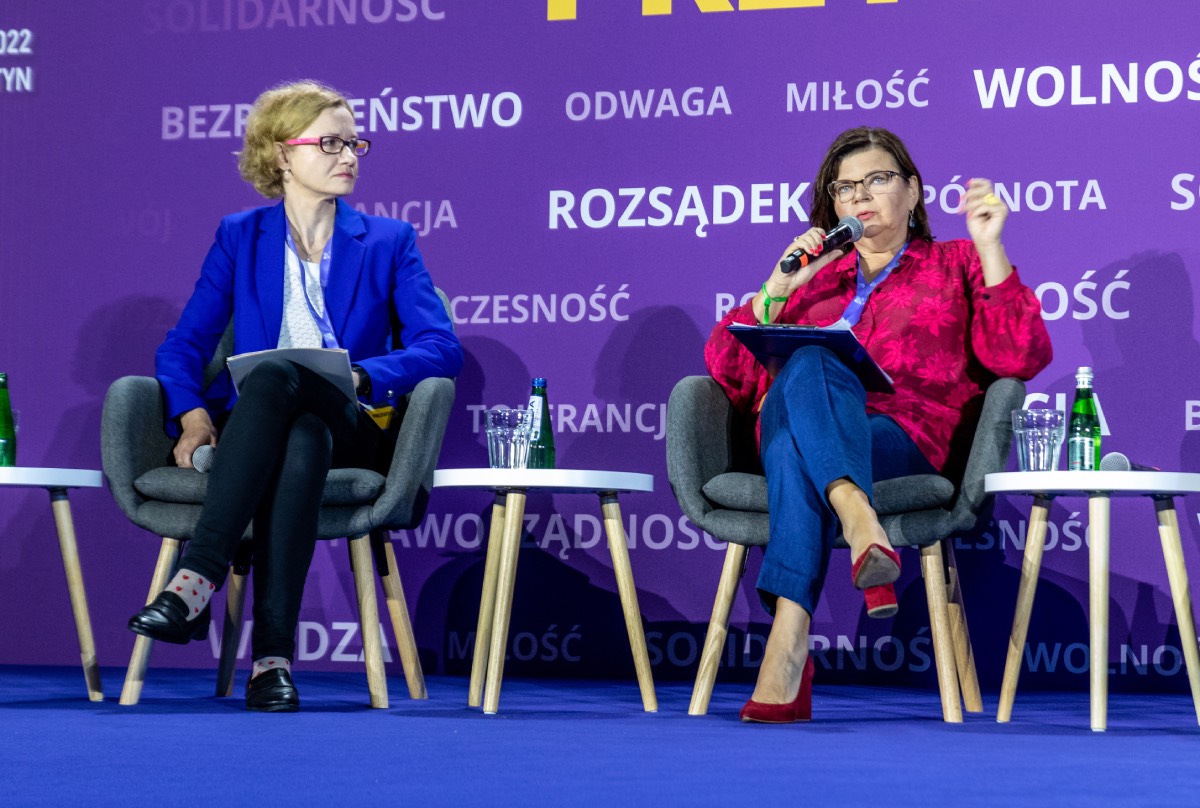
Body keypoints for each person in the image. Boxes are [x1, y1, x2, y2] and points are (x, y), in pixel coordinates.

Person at [127, 80, 463, 711]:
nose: (349, 156)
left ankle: (198, 576)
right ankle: (272, 665)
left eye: (355, 143)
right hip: (277, 429)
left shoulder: (388, 241)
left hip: (355, 421)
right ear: (282, 153)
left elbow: (441, 347)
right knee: (300, 434)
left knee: (278, 378)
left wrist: (362, 375)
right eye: (331, 143)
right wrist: (193, 415)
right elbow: (184, 345)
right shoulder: (240, 236)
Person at [704, 126, 1052, 723]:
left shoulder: (956, 264)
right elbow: (726, 370)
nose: (860, 195)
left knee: (790, 444)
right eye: (844, 188)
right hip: (807, 426)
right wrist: (779, 288)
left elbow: (1018, 355)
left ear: (913, 191)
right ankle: (857, 515)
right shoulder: (816, 278)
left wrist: (991, 247)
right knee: (809, 361)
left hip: (904, 437)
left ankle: (789, 638)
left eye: (877, 179)